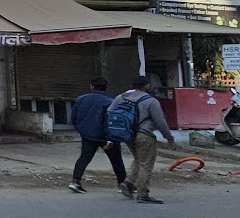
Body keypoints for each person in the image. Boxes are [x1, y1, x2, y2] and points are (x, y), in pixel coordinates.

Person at [108, 76, 177, 205]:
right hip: (145, 135)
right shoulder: (151, 101)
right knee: (146, 164)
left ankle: (128, 183)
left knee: (138, 159)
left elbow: (110, 112)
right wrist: (169, 137)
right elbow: (160, 121)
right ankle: (143, 194)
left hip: (128, 135)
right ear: (147, 86)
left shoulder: (120, 98)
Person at [68, 77, 127, 194]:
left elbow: (73, 117)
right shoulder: (110, 102)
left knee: (84, 158)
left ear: (92, 86)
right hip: (105, 136)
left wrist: (81, 129)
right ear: (105, 88)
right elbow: (109, 122)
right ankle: (122, 184)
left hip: (88, 135)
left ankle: (75, 181)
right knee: (116, 160)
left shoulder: (81, 99)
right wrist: (110, 139)